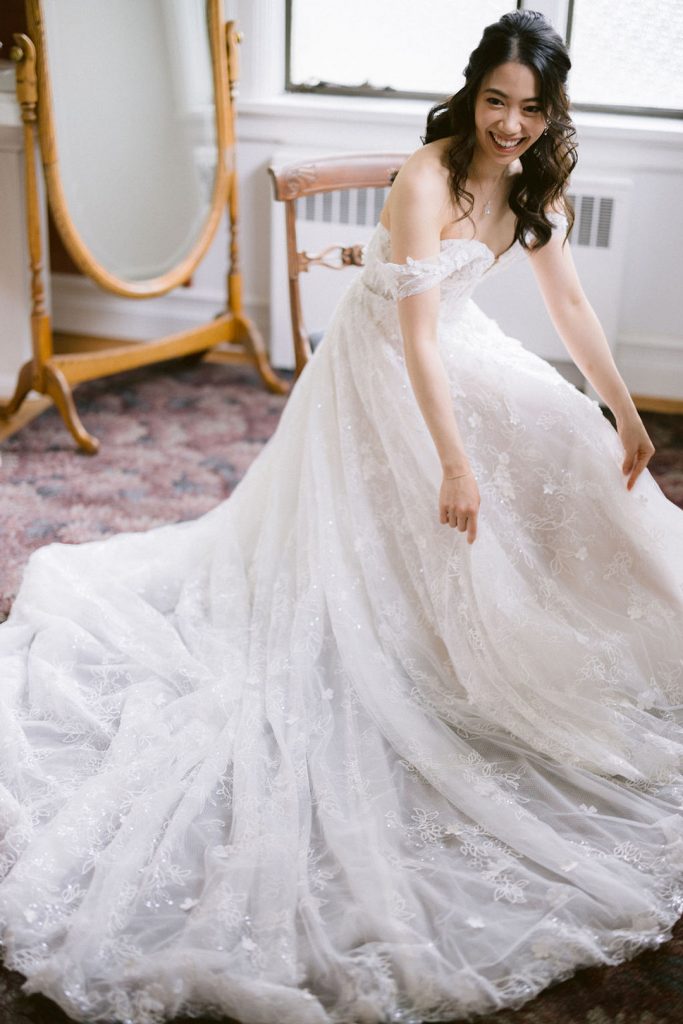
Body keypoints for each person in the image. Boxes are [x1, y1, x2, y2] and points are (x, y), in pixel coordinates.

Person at [1, 9, 682, 1024]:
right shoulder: (426, 178)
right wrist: (453, 461)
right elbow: (413, 338)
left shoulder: (537, 180)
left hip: (458, 341)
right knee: (451, 507)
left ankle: (608, 611)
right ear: (471, 95)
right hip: (383, 363)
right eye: (495, 102)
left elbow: (570, 307)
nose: (509, 125)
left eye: (530, 109)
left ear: (552, 112)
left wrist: (623, 411)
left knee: (568, 433)